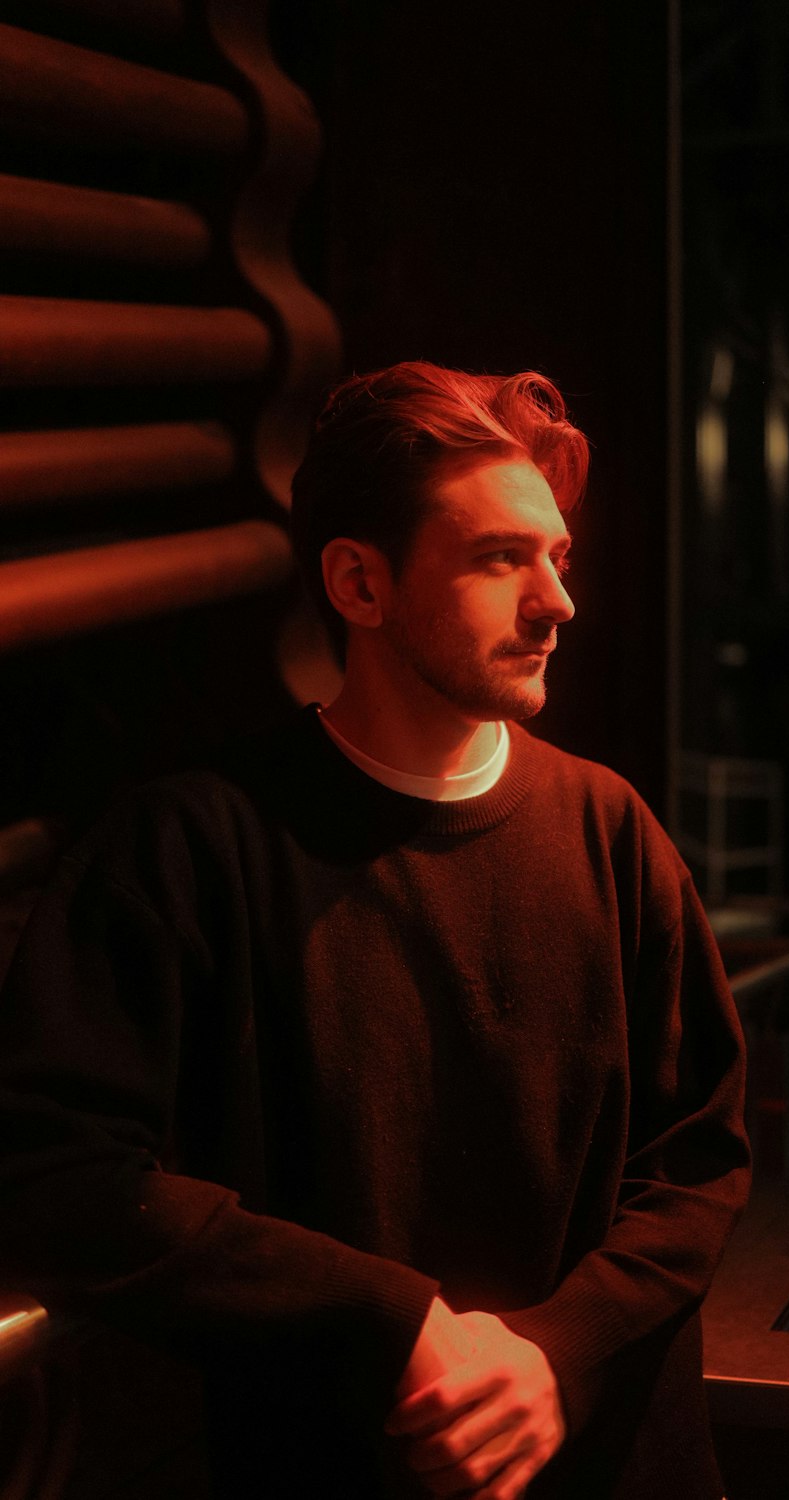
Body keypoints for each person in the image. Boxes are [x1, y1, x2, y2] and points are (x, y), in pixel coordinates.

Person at [0, 362, 750, 1499]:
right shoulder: (190, 848)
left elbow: (698, 1158)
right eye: (502, 559)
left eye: (555, 556)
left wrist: (556, 1348)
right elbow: (51, 1168)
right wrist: (393, 1327)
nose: (558, 602)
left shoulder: (612, 831)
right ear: (358, 582)